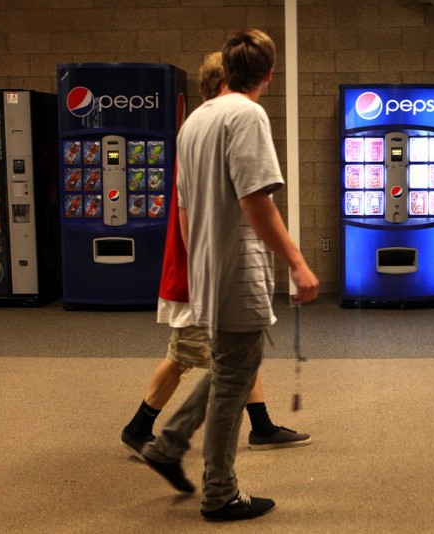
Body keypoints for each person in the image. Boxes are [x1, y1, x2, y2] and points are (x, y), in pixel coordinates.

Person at [141, 29, 320, 522]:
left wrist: (200, 261)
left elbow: (184, 207)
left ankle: (169, 443)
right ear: (268, 74)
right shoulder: (247, 114)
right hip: (236, 268)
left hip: (206, 266)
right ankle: (219, 492)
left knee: (230, 367)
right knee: (234, 376)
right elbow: (255, 198)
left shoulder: (196, 120)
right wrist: (298, 263)